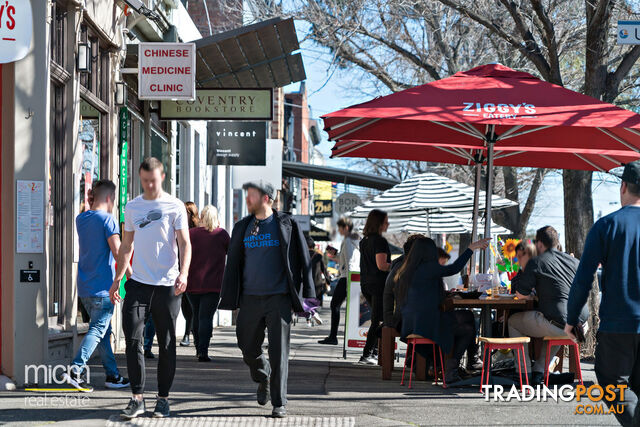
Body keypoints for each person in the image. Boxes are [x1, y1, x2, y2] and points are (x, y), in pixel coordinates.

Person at [219, 180, 314, 419]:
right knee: (246, 345)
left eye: (252, 195)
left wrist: (309, 298)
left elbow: (304, 260)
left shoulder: (287, 224)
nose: (248, 199)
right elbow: (234, 264)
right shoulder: (242, 227)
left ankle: (279, 402)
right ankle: (263, 375)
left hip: (279, 297)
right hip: (250, 297)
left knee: (279, 351)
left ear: (267, 199)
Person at [109, 158, 192, 419]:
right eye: (145, 180)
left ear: (162, 177)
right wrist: (117, 279)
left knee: (166, 343)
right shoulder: (132, 206)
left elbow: (185, 244)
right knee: (132, 339)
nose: (149, 184)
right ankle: (137, 398)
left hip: (167, 285)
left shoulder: (175, 205)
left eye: (153, 180)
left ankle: (163, 399)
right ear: (140, 178)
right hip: (138, 284)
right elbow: (126, 246)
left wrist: (184, 273)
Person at [566, 160, 640, 427]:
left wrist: (571, 317)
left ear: (623, 187)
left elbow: (584, 277)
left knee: (613, 384)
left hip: (618, 324)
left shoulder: (606, 226)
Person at [63, 180, 130, 392]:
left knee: (103, 331)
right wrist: (131, 277)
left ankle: (112, 375)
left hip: (84, 287)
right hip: (103, 287)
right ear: (110, 198)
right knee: (99, 329)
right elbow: (120, 252)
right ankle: (76, 368)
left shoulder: (81, 218)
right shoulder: (107, 220)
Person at [395, 237, 490, 383]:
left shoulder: (407, 269)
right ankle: (457, 365)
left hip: (411, 324)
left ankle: (453, 365)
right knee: (468, 323)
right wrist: (471, 248)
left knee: (467, 322)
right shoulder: (428, 267)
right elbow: (454, 268)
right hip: (426, 324)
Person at [508, 226, 589, 384]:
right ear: (557, 242)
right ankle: (539, 372)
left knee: (513, 321)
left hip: (560, 324)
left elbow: (520, 295)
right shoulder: (575, 261)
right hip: (583, 325)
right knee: (552, 322)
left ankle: (523, 373)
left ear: (539, 244)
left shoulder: (536, 262)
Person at [186, 205, 230, 362]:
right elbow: (232, 254)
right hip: (213, 284)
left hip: (192, 283)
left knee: (196, 316)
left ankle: (198, 348)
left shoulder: (191, 234)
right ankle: (203, 351)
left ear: (202, 217)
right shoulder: (222, 234)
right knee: (206, 318)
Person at [318, 217, 360, 345]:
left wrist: (349, 281)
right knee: (344, 307)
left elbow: (349, 260)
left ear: (346, 228)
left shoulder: (348, 240)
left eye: (340, 229)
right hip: (352, 276)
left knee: (335, 305)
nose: (339, 231)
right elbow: (347, 258)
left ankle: (333, 336)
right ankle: (336, 336)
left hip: (347, 277)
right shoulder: (355, 240)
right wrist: (336, 255)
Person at [358, 209, 391, 365]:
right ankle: (367, 354)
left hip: (366, 283)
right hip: (378, 285)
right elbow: (382, 265)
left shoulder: (364, 241)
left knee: (380, 319)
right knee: (378, 320)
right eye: (385, 221)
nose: (388, 224)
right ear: (378, 223)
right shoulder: (380, 241)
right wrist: (398, 265)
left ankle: (376, 352)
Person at [383, 234, 427, 332]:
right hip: (407, 320)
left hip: (409, 318)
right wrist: (389, 321)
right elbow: (388, 294)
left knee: (466, 322)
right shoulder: (402, 267)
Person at [179, 201, 198, 347]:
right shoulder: (178, 226)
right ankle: (189, 330)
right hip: (178, 270)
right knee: (184, 305)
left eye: (185, 212)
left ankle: (187, 334)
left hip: (193, 272)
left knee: (190, 306)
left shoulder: (196, 230)